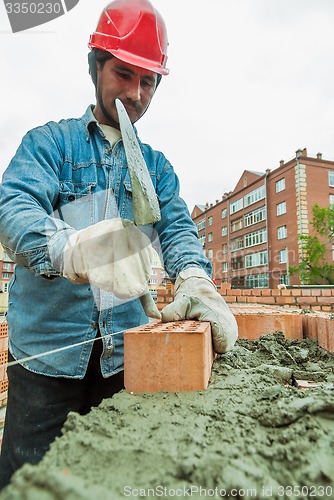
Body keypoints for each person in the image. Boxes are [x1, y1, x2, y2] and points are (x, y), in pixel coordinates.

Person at [0, 0, 238, 489]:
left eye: (147, 81)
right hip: (46, 362)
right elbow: (13, 209)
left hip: (125, 360)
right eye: (123, 73)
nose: (134, 93)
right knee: (28, 485)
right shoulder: (49, 145)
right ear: (95, 68)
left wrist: (194, 277)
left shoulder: (156, 167)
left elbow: (176, 230)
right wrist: (72, 249)